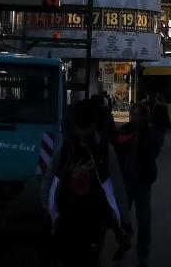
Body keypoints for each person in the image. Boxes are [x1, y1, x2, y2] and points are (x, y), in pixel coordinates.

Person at [46, 96, 128, 266]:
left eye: (87, 127)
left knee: (90, 260)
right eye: (80, 127)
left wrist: (124, 223)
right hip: (68, 219)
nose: (83, 133)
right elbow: (49, 182)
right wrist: (52, 214)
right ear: (75, 125)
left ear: (94, 124)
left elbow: (117, 186)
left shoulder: (105, 151)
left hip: (94, 221)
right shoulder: (66, 149)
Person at [111, 101, 158, 265]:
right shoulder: (124, 131)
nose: (134, 118)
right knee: (121, 217)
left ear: (144, 117)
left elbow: (154, 150)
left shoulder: (149, 134)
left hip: (142, 182)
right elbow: (115, 146)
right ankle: (124, 242)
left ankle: (142, 253)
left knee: (144, 220)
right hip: (125, 182)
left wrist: (140, 143)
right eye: (133, 115)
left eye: (138, 115)